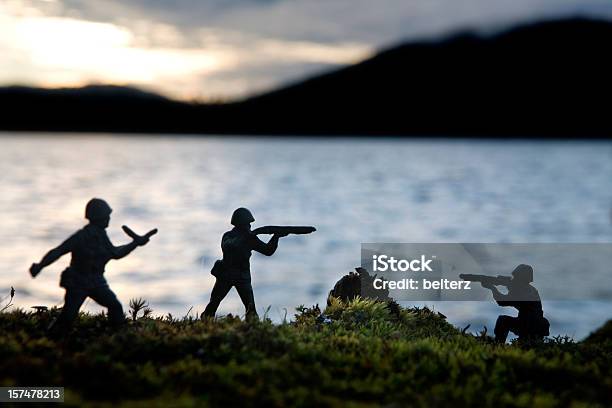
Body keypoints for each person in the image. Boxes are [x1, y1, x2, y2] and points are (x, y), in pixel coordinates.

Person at [29, 198, 157, 334]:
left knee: (115, 306)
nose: (109, 218)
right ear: (99, 217)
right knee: (68, 316)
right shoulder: (81, 236)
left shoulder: (102, 236)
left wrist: (135, 243)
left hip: (96, 281)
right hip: (78, 282)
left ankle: (120, 335)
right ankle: (51, 338)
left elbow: (115, 253)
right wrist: (41, 265)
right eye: (107, 215)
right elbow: (59, 250)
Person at [202, 208, 288, 320]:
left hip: (242, 277)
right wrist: (244, 238)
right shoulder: (228, 236)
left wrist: (276, 236)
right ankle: (205, 322)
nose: (250, 226)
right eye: (247, 223)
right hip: (226, 275)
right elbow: (228, 246)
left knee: (250, 308)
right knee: (213, 303)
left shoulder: (250, 238)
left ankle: (252, 327)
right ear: (241, 224)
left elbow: (268, 251)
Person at [481, 264, 550, 343]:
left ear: (522, 278)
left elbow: (502, 302)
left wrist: (492, 288)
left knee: (502, 320)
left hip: (528, 325)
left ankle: (498, 344)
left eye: (516, 277)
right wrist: (507, 285)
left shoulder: (522, 291)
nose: (514, 279)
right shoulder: (531, 289)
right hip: (534, 324)